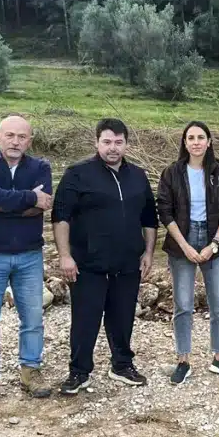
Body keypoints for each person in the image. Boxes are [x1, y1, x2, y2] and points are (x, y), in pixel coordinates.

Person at [51, 118, 158, 394]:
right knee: (85, 319)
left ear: (127, 144)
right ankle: (79, 372)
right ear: (96, 142)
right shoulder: (77, 174)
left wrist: (148, 252)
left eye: (119, 142)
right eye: (107, 142)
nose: (113, 148)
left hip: (127, 263)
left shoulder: (138, 176)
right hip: (88, 263)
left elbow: (149, 218)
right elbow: (60, 216)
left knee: (123, 317)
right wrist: (65, 256)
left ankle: (122, 365)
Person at [0, 114, 54, 408]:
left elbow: (39, 209)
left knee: (33, 319)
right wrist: (28, 197)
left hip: (29, 255)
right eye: (10, 136)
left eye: (22, 137)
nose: (16, 142)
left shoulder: (41, 167)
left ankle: (31, 371)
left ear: (30, 140)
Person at [156, 121, 219, 384]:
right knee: (183, 304)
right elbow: (165, 211)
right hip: (182, 239)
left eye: (200, 137)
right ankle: (183, 360)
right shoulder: (172, 173)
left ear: (209, 141)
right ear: (184, 142)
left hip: (213, 239)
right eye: (190, 137)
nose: (195, 142)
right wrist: (184, 246)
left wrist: (213, 244)